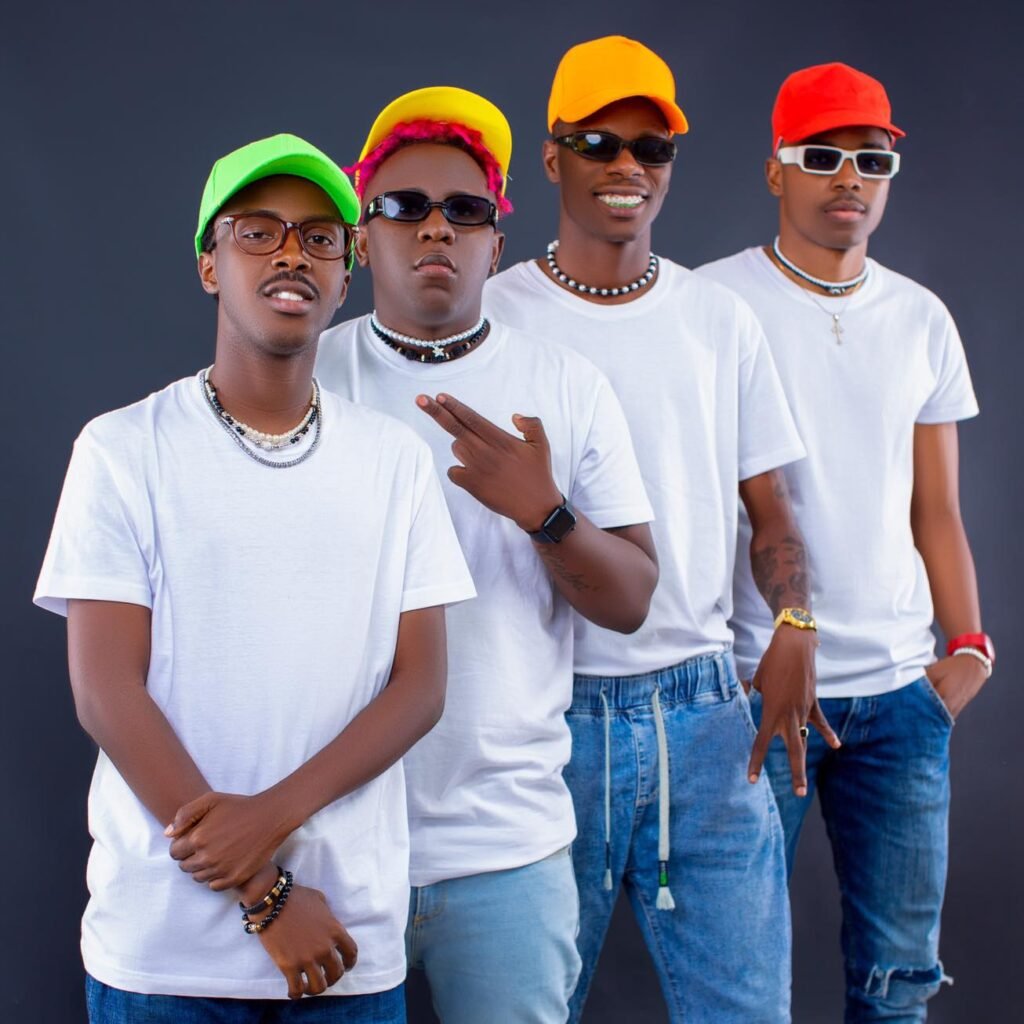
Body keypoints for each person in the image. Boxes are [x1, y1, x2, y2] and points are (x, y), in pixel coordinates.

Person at [34, 133, 476, 1023]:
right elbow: (105, 691)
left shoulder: (393, 460)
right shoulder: (122, 450)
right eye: (258, 231)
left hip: (347, 943)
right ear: (209, 264)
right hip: (164, 955)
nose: (291, 254)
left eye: (320, 238)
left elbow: (421, 687)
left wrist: (267, 820)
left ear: (345, 277)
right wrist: (266, 895)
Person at [485, 36, 826, 1024]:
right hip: (546, 719)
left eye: (651, 146)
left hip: (707, 717)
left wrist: (796, 623)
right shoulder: (495, 316)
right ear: (552, 157)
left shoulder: (718, 319)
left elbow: (771, 510)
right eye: (598, 143)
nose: (626, 165)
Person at [316, 86, 658, 1024]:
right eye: (404, 207)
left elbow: (632, 601)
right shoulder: (309, 377)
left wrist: (547, 515)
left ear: (495, 245)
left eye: (465, 210)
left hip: (508, 846)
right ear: (362, 238)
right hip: (334, 840)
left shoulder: (565, 384)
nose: (437, 228)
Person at [697, 62, 990, 1022]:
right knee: (740, 984)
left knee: (897, 986)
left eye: (872, 159)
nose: (850, 178)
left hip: (903, 702)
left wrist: (969, 648)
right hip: (757, 690)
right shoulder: (713, 303)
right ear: (774, 171)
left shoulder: (920, 318)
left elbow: (935, 508)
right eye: (821, 156)